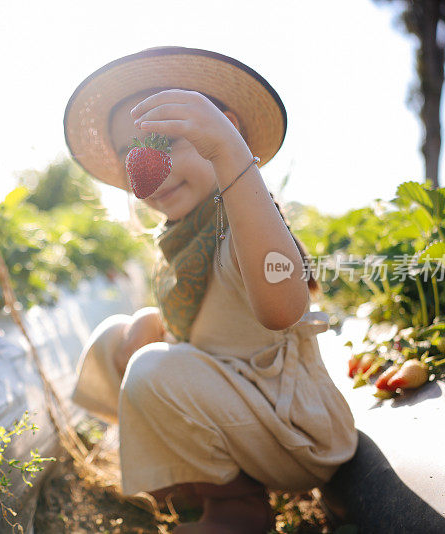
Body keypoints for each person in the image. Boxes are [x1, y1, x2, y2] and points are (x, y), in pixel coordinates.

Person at [63, 47, 358, 534]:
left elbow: (283, 307)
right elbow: (206, 338)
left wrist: (231, 155)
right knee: (119, 337)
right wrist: (150, 327)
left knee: (152, 368)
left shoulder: (246, 222)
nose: (146, 163)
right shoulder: (184, 239)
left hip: (295, 434)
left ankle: (237, 506)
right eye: (129, 154)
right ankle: (190, 482)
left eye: (166, 140)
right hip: (241, 415)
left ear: (226, 131)